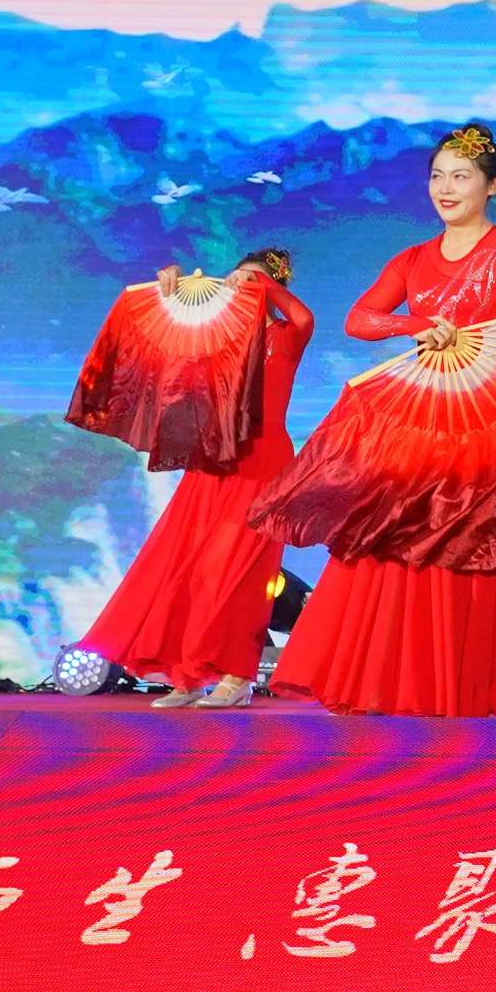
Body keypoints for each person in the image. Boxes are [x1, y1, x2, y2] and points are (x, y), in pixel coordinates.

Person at [255, 123, 496, 720]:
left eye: (461, 177)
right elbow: (360, 319)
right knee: (393, 534)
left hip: (492, 424)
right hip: (422, 416)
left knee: (474, 539)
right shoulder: (412, 259)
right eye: (438, 176)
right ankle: (395, 682)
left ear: (492, 186)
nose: (446, 188)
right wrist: (415, 325)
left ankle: (463, 688)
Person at [65, 249, 314, 708]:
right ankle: (187, 675)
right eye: (238, 281)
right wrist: (172, 290)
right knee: (190, 569)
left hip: (263, 463)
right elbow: (166, 345)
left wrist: (259, 283)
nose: (241, 290)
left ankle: (237, 677)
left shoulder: (285, 335)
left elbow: (303, 316)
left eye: (254, 284)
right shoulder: (221, 339)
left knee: (238, 573)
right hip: (215, 461)